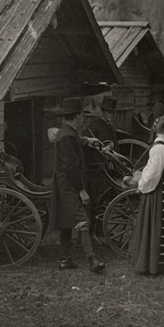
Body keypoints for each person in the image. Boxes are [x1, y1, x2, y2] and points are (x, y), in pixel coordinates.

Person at [49, 97, 105, 273]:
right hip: (69, 185)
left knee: (66, 220)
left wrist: (88, 140)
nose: (83, 119)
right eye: (81, 115)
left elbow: (75, 141)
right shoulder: (66, 136)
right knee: (82, 220)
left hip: (64, 183)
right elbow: (72, 167)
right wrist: (81, 190)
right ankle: (92, 261)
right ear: (76, 116)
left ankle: (66, 260)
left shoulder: (67, 132)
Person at [127, 111, 164, 274]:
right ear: (163, 129)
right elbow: (152, 174)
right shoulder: (160, 149)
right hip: (159, 192)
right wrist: (142, 184)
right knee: (157, 225)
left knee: (163, 225)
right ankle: (156, 262)